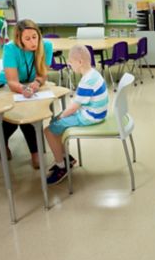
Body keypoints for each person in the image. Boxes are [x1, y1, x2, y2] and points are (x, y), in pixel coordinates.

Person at [44, 44, 109, 185]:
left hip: (90, 116)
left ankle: (61, 166)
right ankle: (66, 157)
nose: (69, 64)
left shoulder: (86, 81)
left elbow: (73, 108)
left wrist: (61, 116)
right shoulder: (94, 74)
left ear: (79, 62)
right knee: (55, 122)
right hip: (97, 113)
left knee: (49, 131)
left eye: (70, 61)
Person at [0, 19, 53, 169]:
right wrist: (24, 89)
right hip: (7, 87)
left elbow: (43, 74)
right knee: (13, 119)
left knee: (30, 115)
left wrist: (37, 83)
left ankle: (34, 152)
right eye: (27, 39)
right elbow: (12, 81)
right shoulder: (10, 48)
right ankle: (3, 143)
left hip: (31, 86)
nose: (33, 42)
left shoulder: (46, 46)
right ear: (19, 39)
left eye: (35, 36)